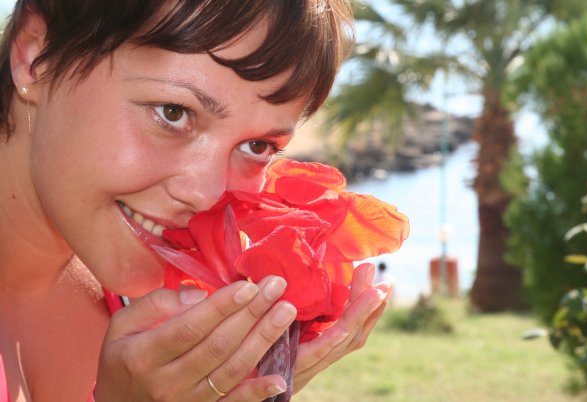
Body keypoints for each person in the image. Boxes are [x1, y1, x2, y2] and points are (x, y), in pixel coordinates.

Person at [0, 0, 394, 401]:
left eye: (258, 146)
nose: (206, 196)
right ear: (35, 56)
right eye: (173, 113)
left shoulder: (146, 313)